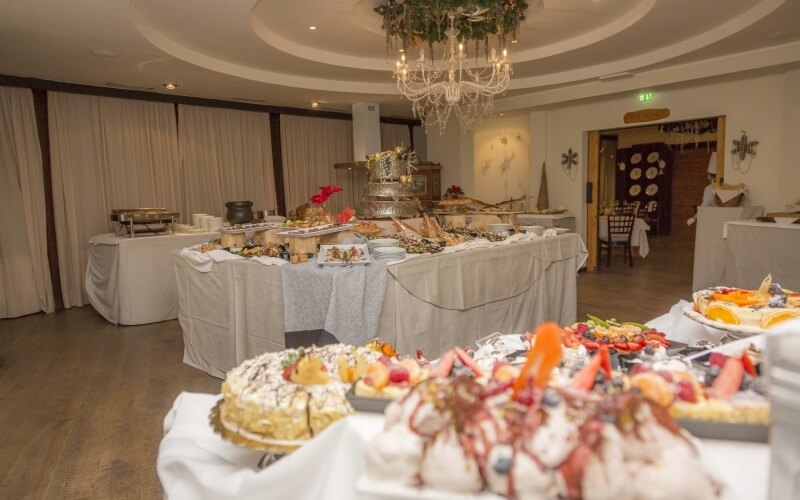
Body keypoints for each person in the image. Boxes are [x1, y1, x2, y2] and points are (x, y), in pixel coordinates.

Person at [687, 152, 718, 226]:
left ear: (710, 176)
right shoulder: (718, 187)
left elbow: (705, 205)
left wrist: (694, 218)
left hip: (709, 217)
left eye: (709, 174)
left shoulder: (708, 188)